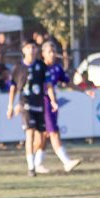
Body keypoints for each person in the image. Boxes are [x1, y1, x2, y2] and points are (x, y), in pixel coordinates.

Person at [7, 40, 57, 177]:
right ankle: (31, 167)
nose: (31, 50)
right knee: (30, 134)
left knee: (41, 137)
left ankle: (37, 162)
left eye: (34, 47)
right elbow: (13, 88)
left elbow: (48, 85)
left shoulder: (41, 66)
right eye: (28, 47)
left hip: (39, 104)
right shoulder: (18, 67)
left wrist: (53, 101)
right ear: (23, 50)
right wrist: (10, 106)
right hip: (25, 104)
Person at [34, 42, 82, 174]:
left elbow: (68, 83)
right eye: (49, 51)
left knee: (45, 134)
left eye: (54, 51)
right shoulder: (38, 67)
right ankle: (66, 162)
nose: (53, 54)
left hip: (51, 102)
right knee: (53, 132)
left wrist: (84, 91)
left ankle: (36, 164)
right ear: (43, 53)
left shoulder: (57, 68)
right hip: (42, 102)